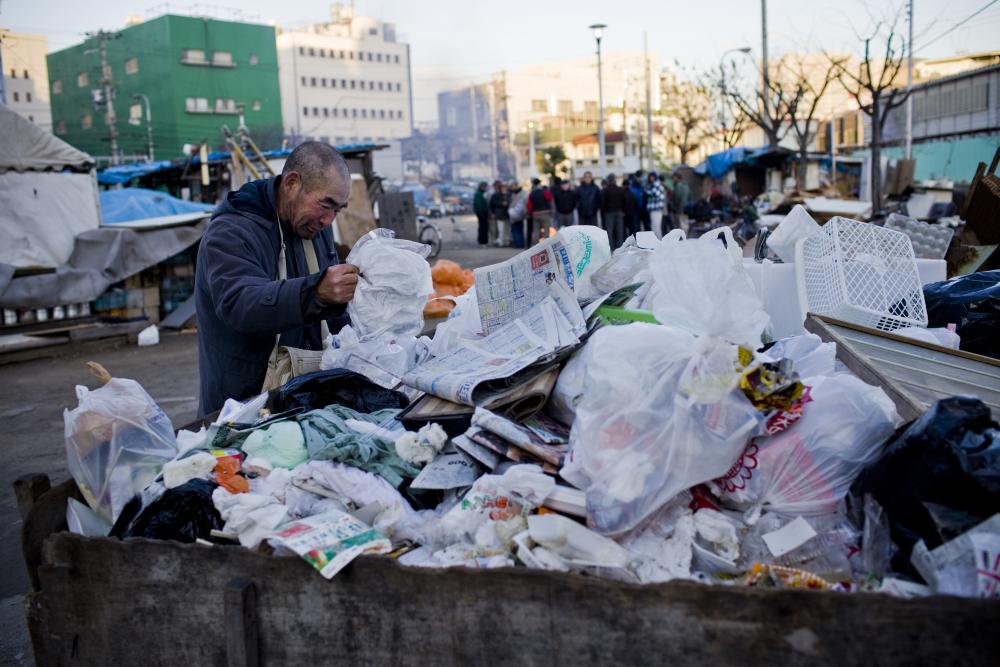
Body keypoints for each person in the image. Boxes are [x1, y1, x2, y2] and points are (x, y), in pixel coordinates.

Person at [195, 142, 356, 416]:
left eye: (337, 210)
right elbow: (240, 304)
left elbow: (336, 314)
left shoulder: (315, 227)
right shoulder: (231, 231)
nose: (328, 219)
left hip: (301, 397)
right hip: (241, 407)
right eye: (325, 204)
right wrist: (315, 292)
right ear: (292, 183)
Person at [601, 173, 626, 249]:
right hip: (619, 212)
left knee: (609, 231)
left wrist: (604, 212)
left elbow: (602, 203)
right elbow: (624, 201)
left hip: (608, 213)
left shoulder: (605, 190)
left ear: (608, 180)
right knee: (619, 231)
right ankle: (620, 247)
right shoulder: (620, 189)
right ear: (615, 180)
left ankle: (611, 248)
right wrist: (623, 211)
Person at [644, 172, 667, 239]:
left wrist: (646, 190)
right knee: (654, 226)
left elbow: (653, 193)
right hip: (654, 209)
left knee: (655, 226)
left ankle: (659, 242)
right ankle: (658, 242)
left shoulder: (657, 185)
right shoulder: (653, 185)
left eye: (652, 177)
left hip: (657, 209)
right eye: (650, 177)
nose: (651, 178)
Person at [489, 181, 510, 247]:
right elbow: (491, 204)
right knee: (501, 229)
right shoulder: (496, 195)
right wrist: (501, 204)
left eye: (505, 187)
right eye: (503, 187)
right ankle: (501, 242)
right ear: (500, 188)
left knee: (507, 229)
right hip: (500, 214)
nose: (504, 188)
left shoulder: (509, 194)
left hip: (507, 214)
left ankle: (507, 242)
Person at [507, 181, 528, 248]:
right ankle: (518, 243)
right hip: (514, 213)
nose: (512, 188)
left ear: (516, 185)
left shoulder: (522, 193)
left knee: (517, 230)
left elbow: (523, 203)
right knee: (516, 229)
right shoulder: (513, 193)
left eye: (512, 186)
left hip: (518, 213)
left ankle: (519, 244)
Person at [473, 181, 489, 246]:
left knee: (484, 227)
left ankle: (484, 241)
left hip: (484, 213)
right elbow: (478, 204)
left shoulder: (483, 193)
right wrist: (480, 212)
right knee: (482, 227)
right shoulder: (479, 194)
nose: (485, 188)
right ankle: (482, 241)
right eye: (484, 187)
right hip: (481, 213)